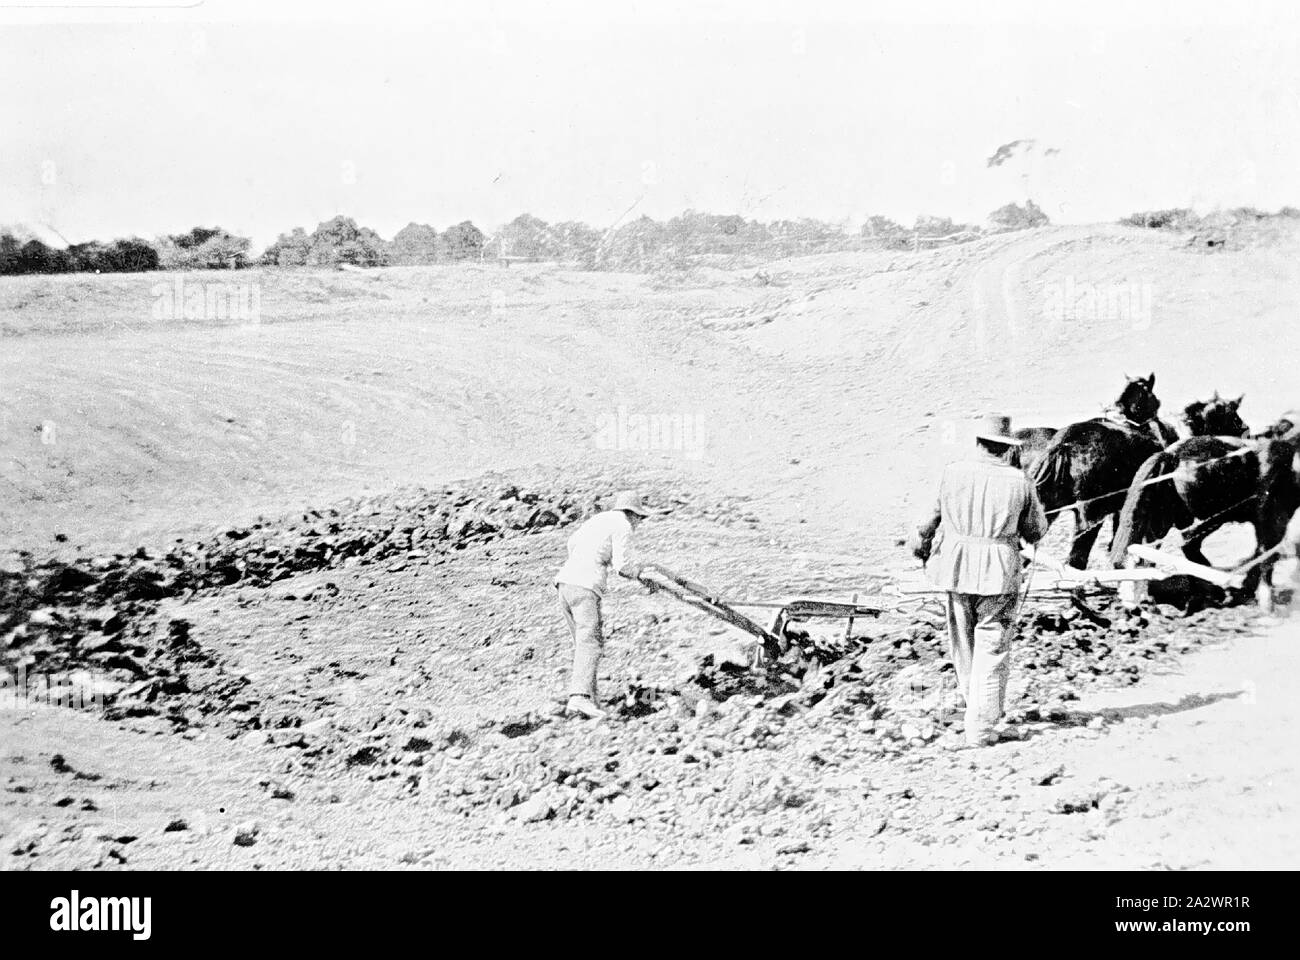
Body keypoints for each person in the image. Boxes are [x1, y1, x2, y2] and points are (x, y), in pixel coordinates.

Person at [908, 415, 1049, 747]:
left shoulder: (951, 473)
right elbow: (1036, 531)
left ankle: (977, 715)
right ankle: (981, 729)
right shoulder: (1020, 481)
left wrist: (922, 548)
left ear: (978, 443)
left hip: (955, 570)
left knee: (964, 647)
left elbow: (926, 523)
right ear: (1006, 448)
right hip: (999, 574)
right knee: (993, 649)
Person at [553, 490, 654, 719]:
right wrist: (641, 574)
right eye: (640, 518)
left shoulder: (596, 521)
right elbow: (623, 566)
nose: (639, 524)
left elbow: (571, 544)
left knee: (584, 645)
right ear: (633, 514)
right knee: (591, 643)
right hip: (585, 586)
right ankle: (579, 698)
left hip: (564, 584)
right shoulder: (624, 526)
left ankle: (589, 700)